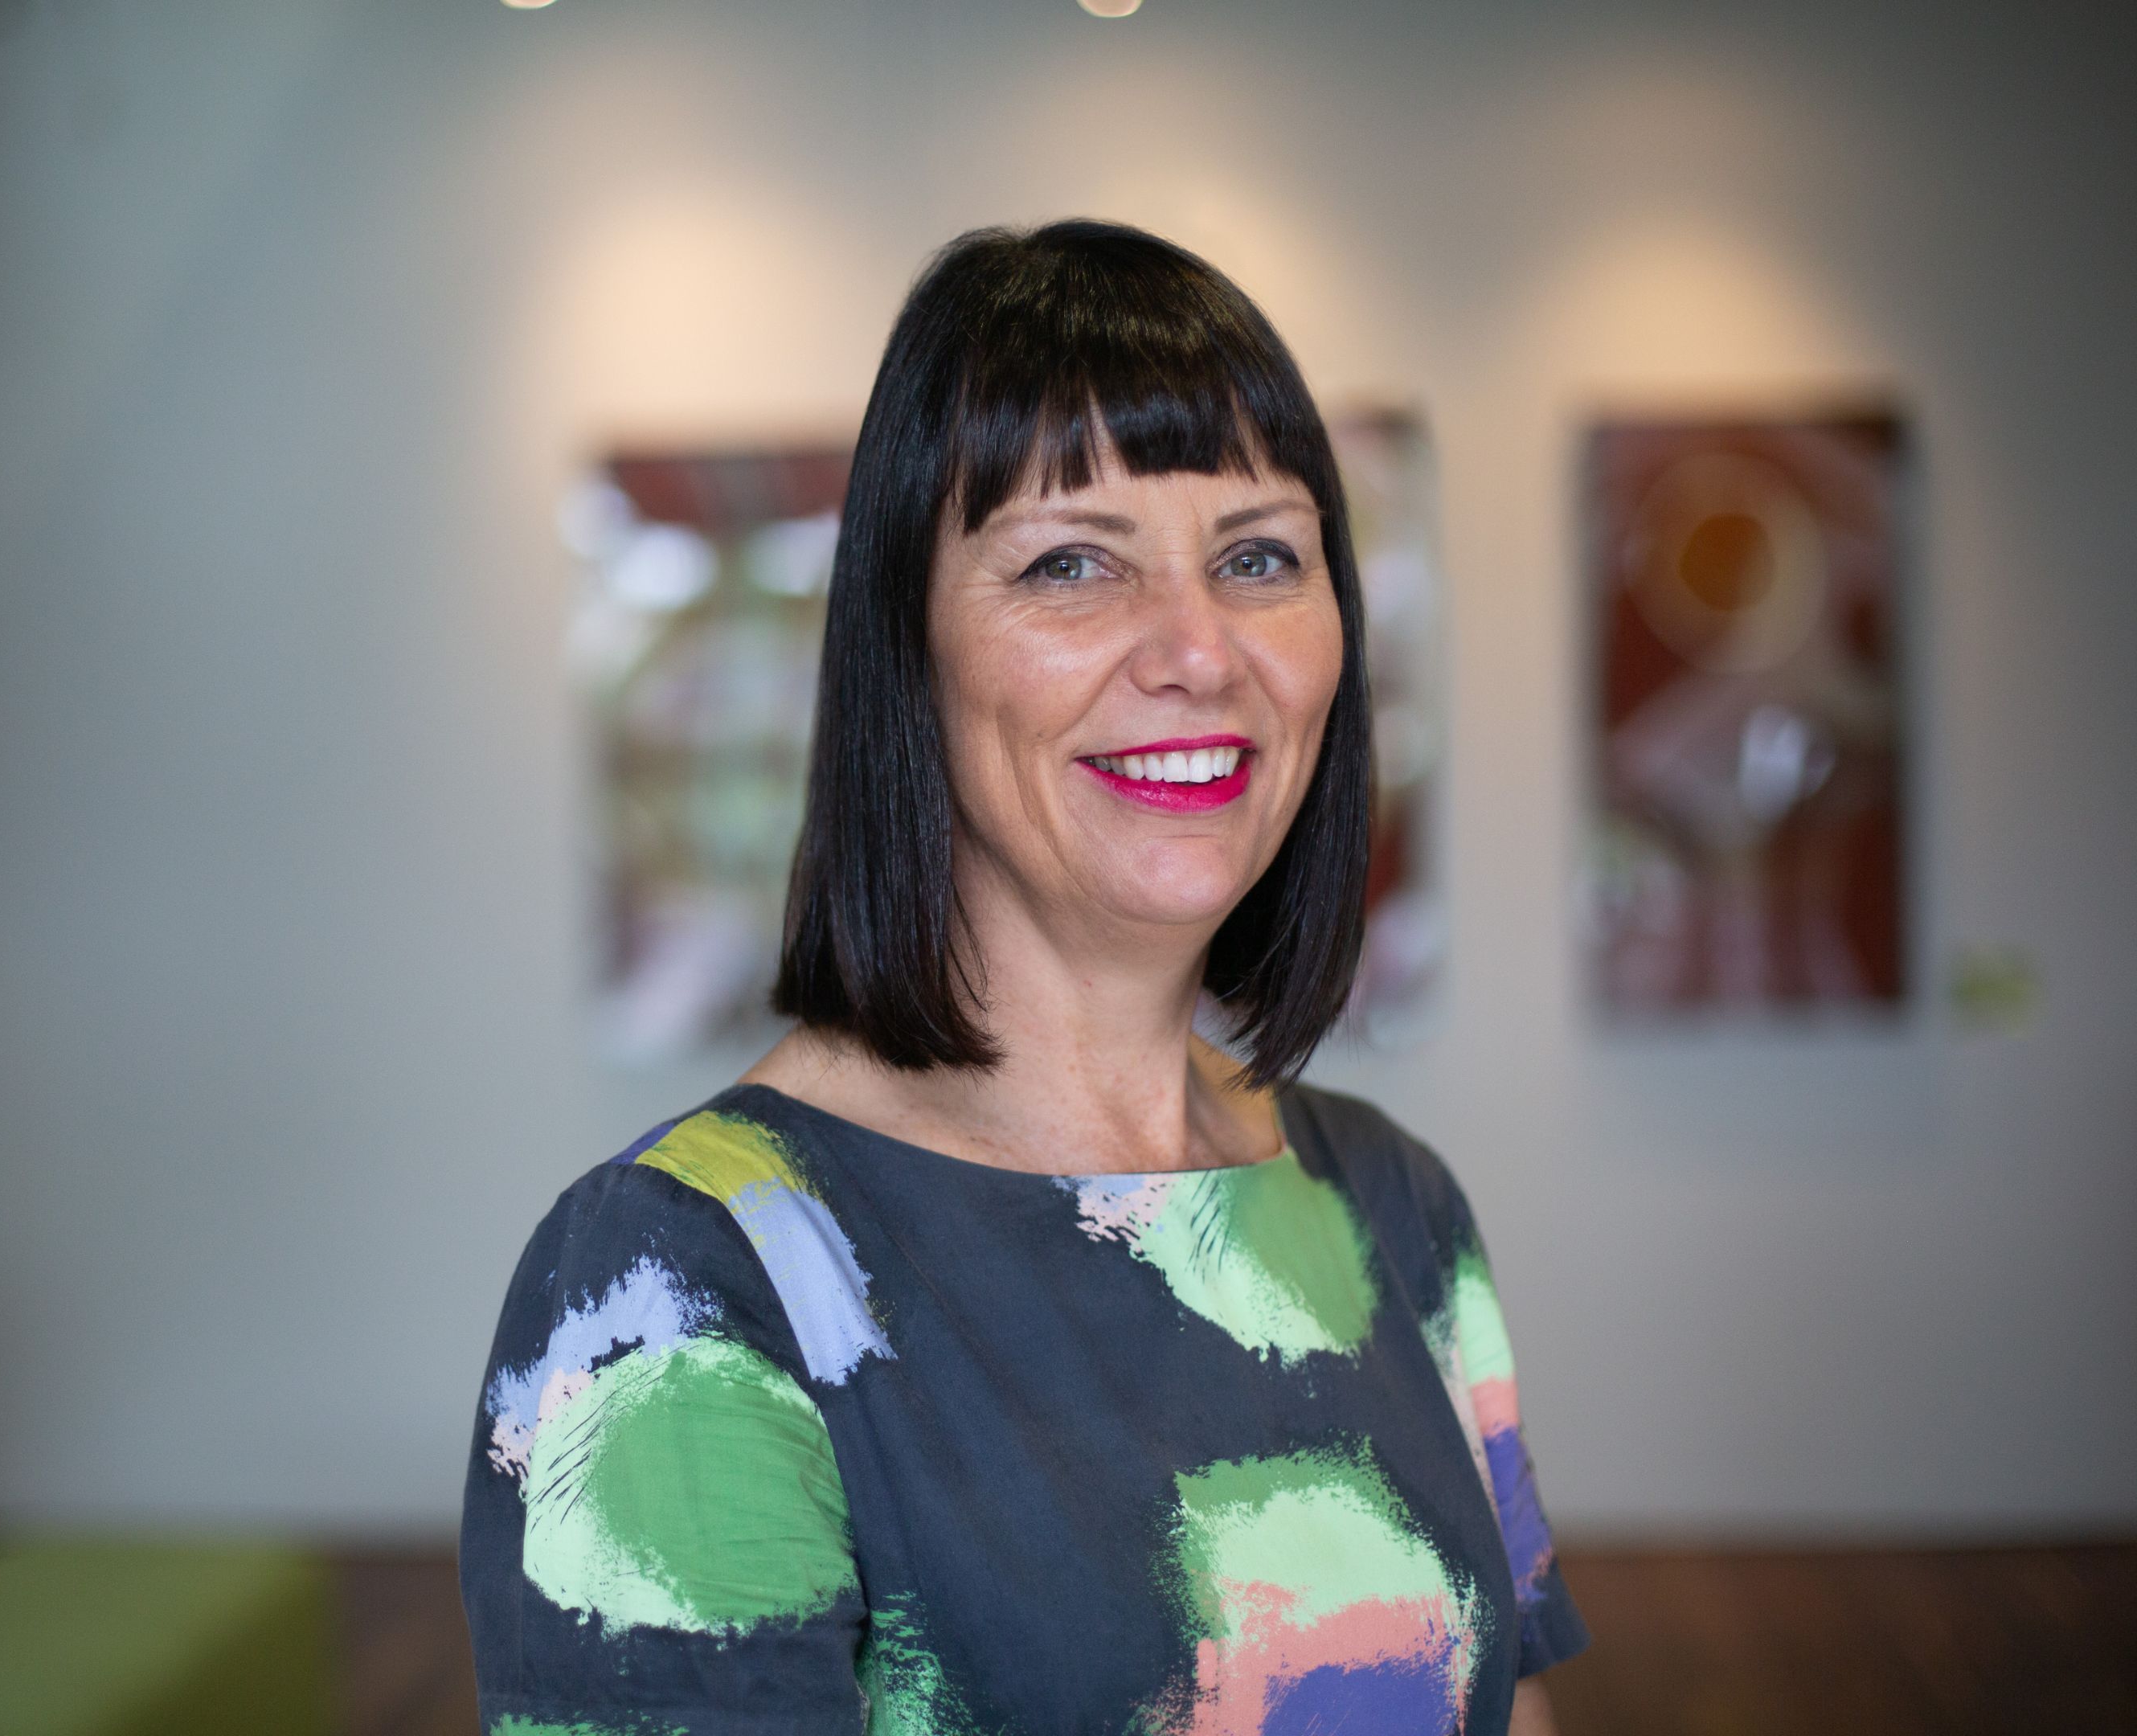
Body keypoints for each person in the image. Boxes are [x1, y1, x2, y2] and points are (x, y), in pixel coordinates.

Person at [460, 219, 1586, 1734]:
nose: (1198, 650)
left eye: (1259, 556)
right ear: (907, 655)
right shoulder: (683, 1288)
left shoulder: (1393, 1210)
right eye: (1071, 563)